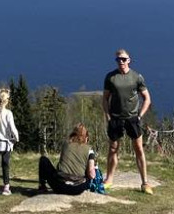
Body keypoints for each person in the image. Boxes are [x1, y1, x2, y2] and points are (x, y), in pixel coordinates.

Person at [102, 49, 154, 194]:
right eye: (118, 59)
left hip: (132, 119)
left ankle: (145, 183)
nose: (121, 62)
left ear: (129, 60)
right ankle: (109, 180)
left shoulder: (137, 77)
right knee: (113, 149)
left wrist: (139, 116)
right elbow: (105, 98)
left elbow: (147, 98)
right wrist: (108, 116)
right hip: (115, 118)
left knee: (138, 149)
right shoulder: (110, 77)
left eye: (124, 59)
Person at [37, 123, 97, 195]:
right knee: (90, 172)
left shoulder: (66, 144)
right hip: (77, 188)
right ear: (86, 137)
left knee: (43, 160)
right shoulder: (89, 150)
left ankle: (42, 186)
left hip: (59, 186)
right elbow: (91, 175)